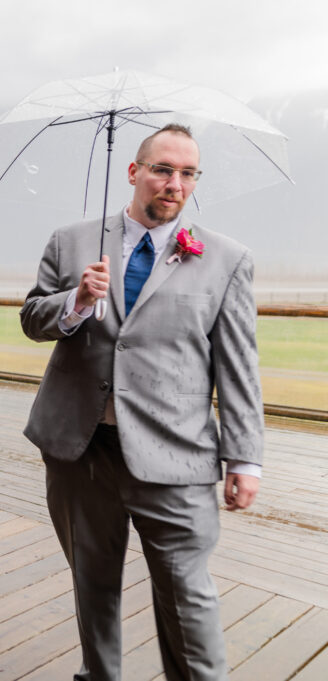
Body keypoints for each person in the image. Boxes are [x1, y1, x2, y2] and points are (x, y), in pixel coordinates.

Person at [20, 124, 264, 681]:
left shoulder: (226, 259)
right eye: (162, 169)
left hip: (175, 455)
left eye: (187, 174)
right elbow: (34, 319)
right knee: (93, 580)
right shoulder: (70, 241)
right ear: (134, 172)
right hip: (80, 449)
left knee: (188, 597)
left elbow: (238, 366)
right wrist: (76, 300)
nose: (174, 183)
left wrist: (244, 457)